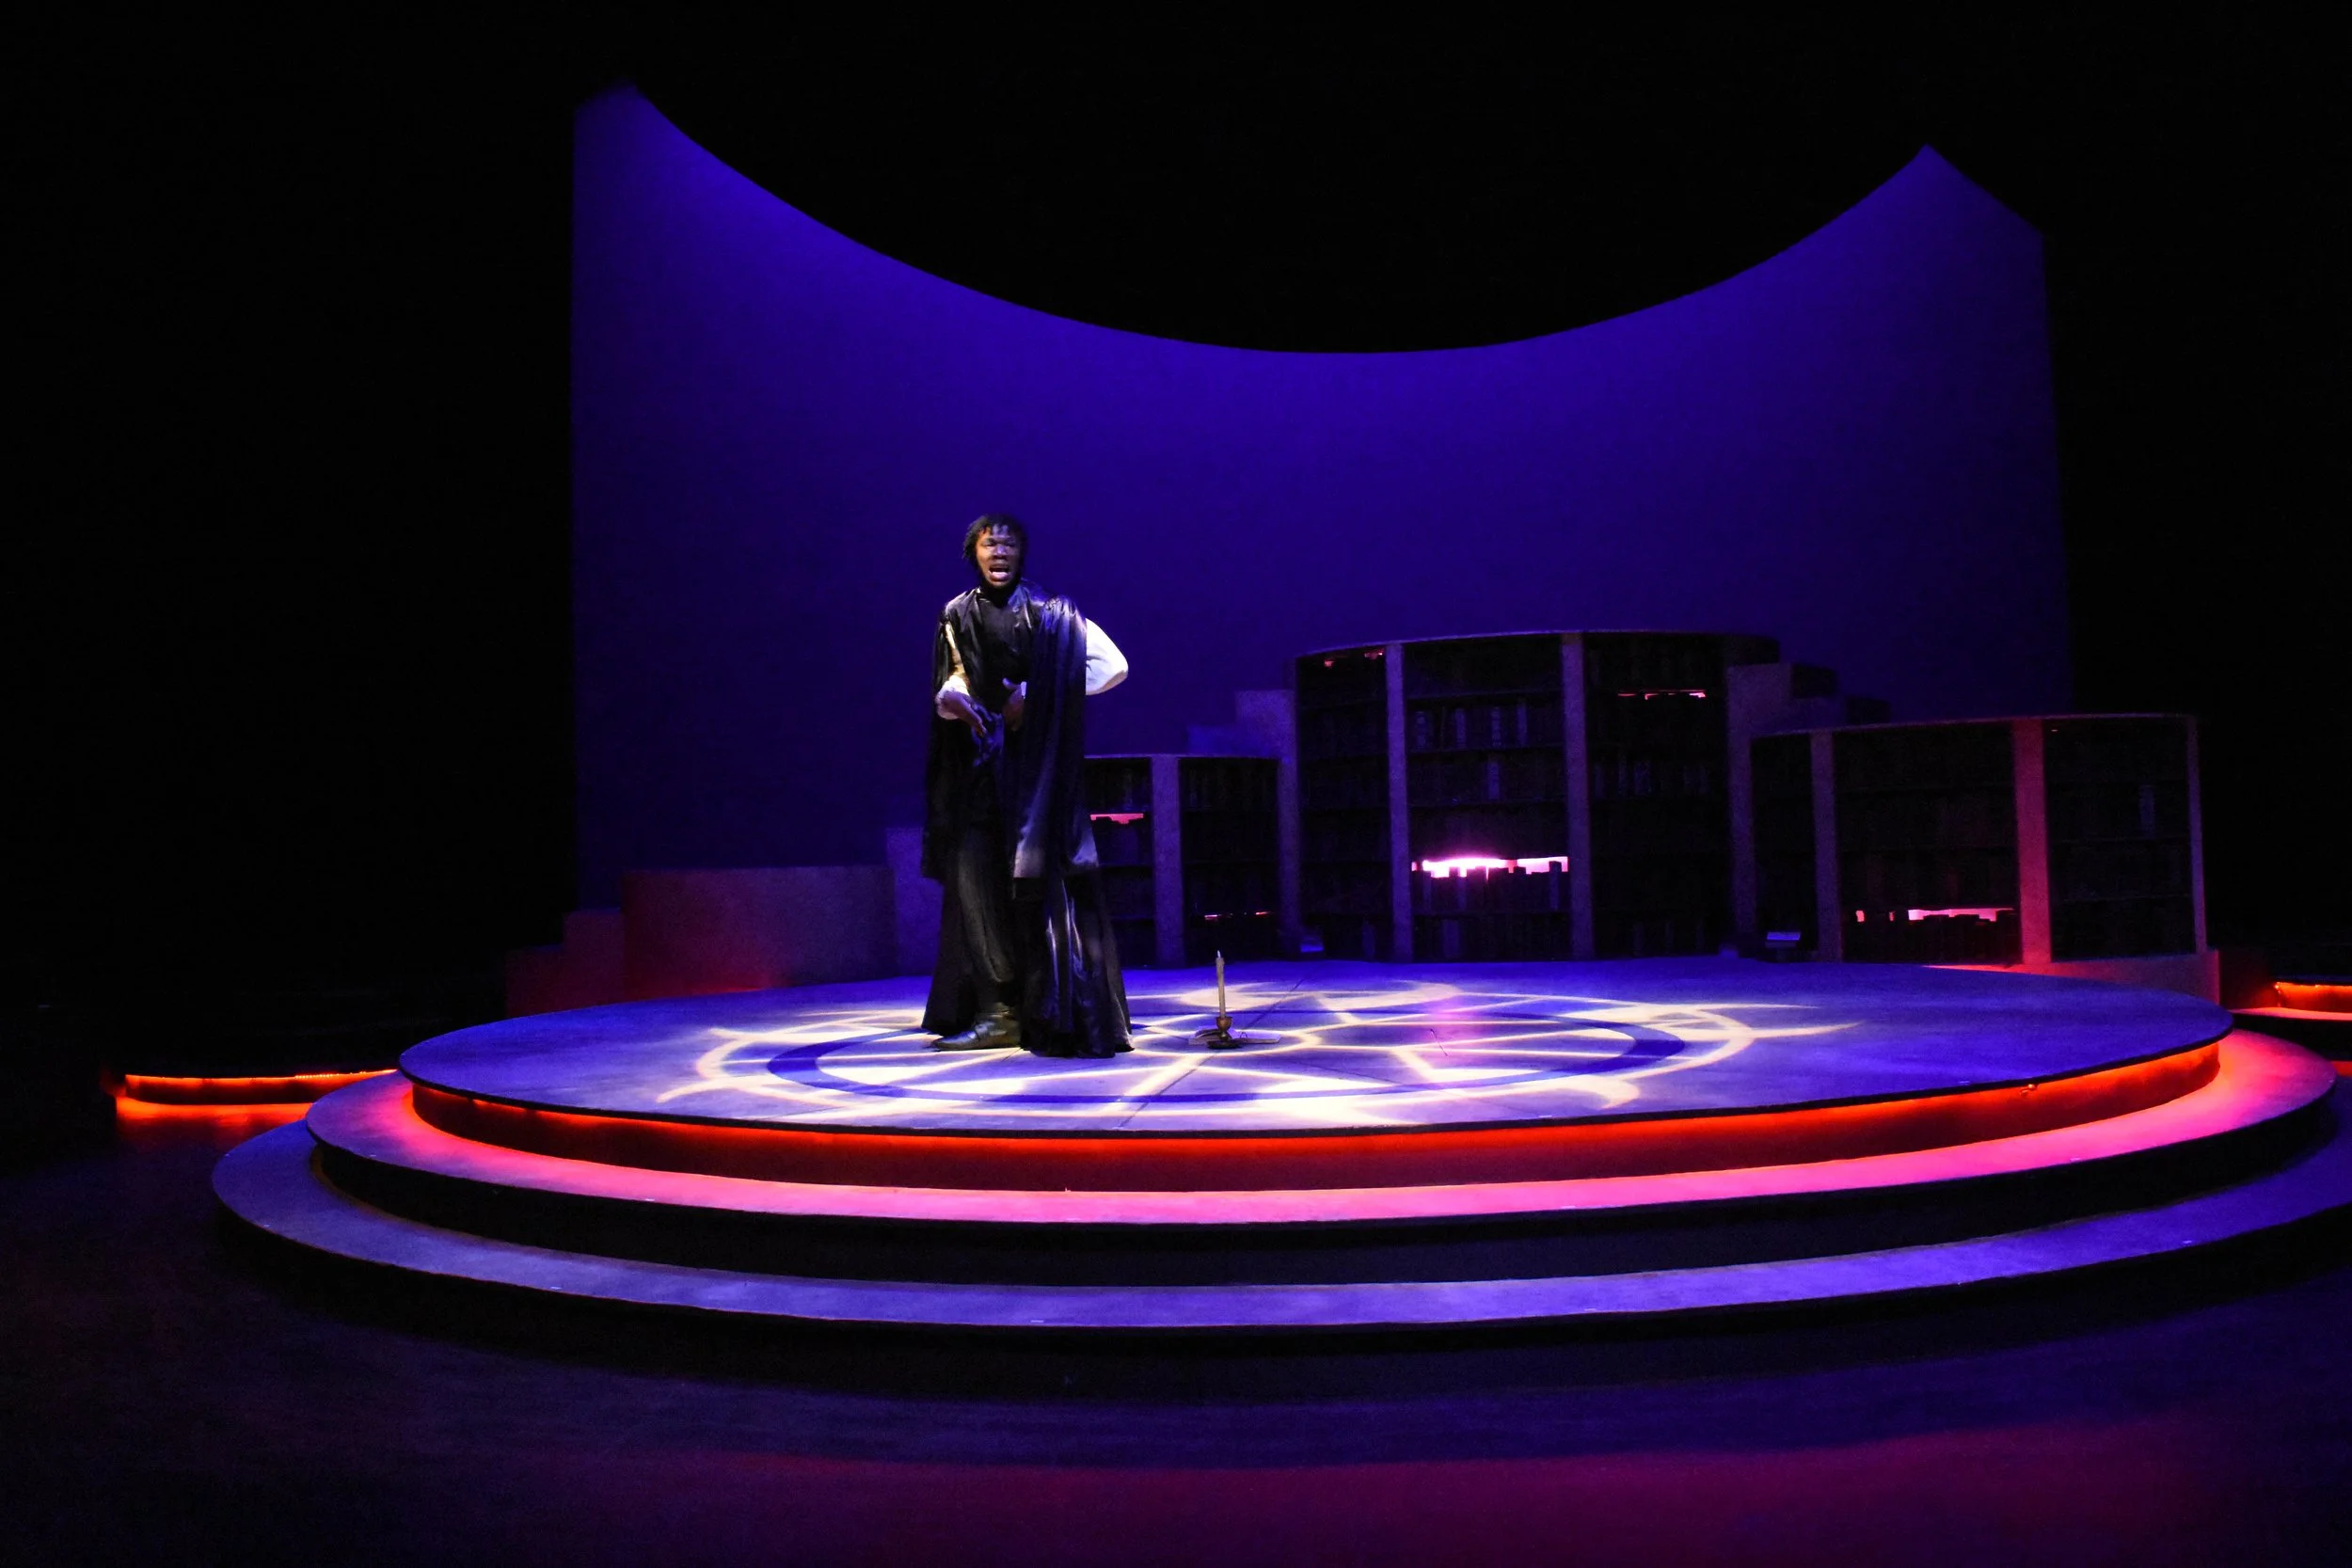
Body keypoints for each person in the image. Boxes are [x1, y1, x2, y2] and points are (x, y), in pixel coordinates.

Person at [920, 514, 1132, 1056]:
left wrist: (1038, 695)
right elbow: (957, 676)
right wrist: (953, 700)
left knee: (1036, 891)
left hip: (1036, 775)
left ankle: (1052, 1010)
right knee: (975, 886)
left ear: (1022, 554)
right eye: (990, 544)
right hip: (980, 769)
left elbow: (1113, 666)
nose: (1000, 553)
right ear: (973, 552)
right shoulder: (956, 613)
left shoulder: (1049, 611)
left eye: (1010, 544)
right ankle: (997, 1013)